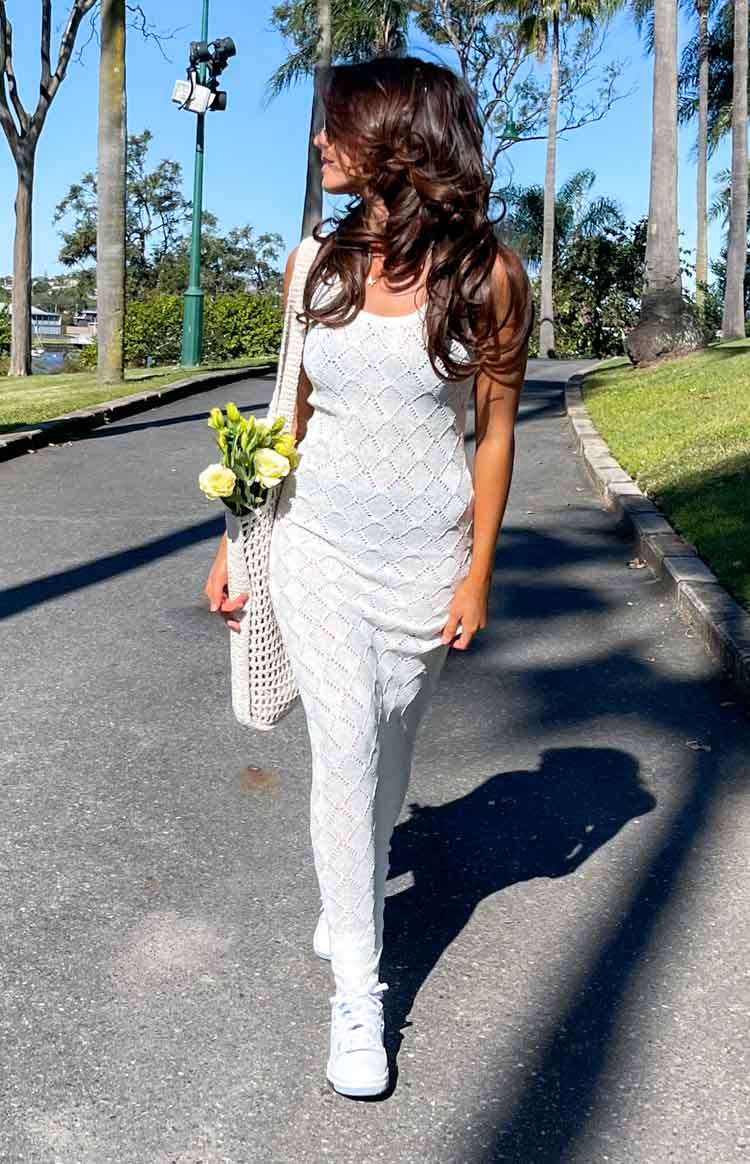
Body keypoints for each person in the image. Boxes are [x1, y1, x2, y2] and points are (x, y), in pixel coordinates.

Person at [204, 55, 531, 1099]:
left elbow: (493, 434)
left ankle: (355, 878)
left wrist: (477, 572)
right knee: (344, 746)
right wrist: (238, 537)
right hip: (317, 544)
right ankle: (359, 986)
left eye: (335, 125)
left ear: (397, 138)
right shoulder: (315, 264)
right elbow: (286, 413)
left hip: (424, 554)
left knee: (389, 747)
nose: (318, 142)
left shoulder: (489, 277)